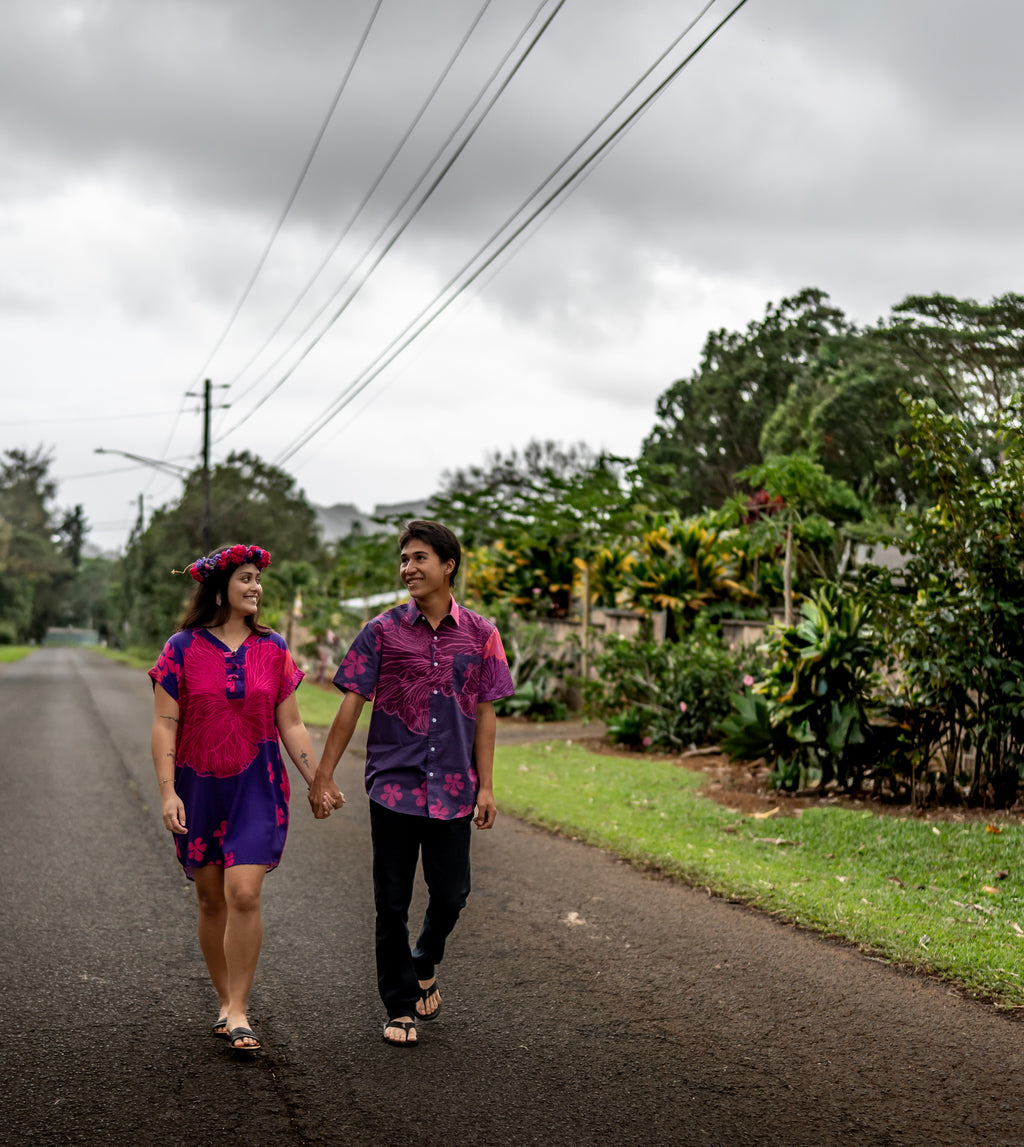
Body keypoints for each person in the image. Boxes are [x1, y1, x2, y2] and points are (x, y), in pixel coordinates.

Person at [309, 520, 513, 1047]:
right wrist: (323, 773)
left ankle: (423, 960)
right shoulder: (381, 631)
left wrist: (487, 786)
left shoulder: (483, 634)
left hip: (455, 789)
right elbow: (351, 704)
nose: (408, 568)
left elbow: (485, 713)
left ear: (448, 565)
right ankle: (399, 1006)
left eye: (419, 558)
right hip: (393, 787)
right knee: (392, 902)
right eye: (404, 559)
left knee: (452, 894)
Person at [149, 542, 339, 1054]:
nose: (256, 587)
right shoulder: (180, 648)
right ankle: (223, 1000)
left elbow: (291, 723)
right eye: (246, 578)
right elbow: (165, 724)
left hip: (258, 786)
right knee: (211, 899)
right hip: (198, 787)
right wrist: (167, 793)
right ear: (220, 588)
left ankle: (239, 1009)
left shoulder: (273, 647)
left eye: (258, 579)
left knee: (244, 894)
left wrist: (317, 778)